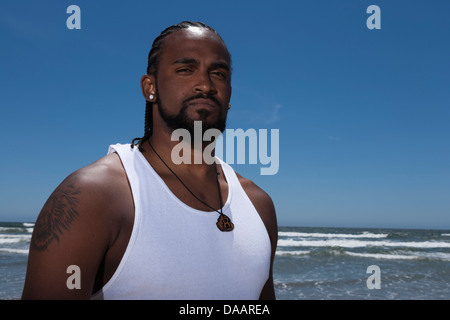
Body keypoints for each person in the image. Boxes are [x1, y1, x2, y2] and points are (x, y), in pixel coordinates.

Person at [22, 21, 278, 300]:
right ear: (149, 87)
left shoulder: (258, 205)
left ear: (229, 93)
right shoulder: (93, 197)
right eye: (185, 70)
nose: (205, 84)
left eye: (218, 73)